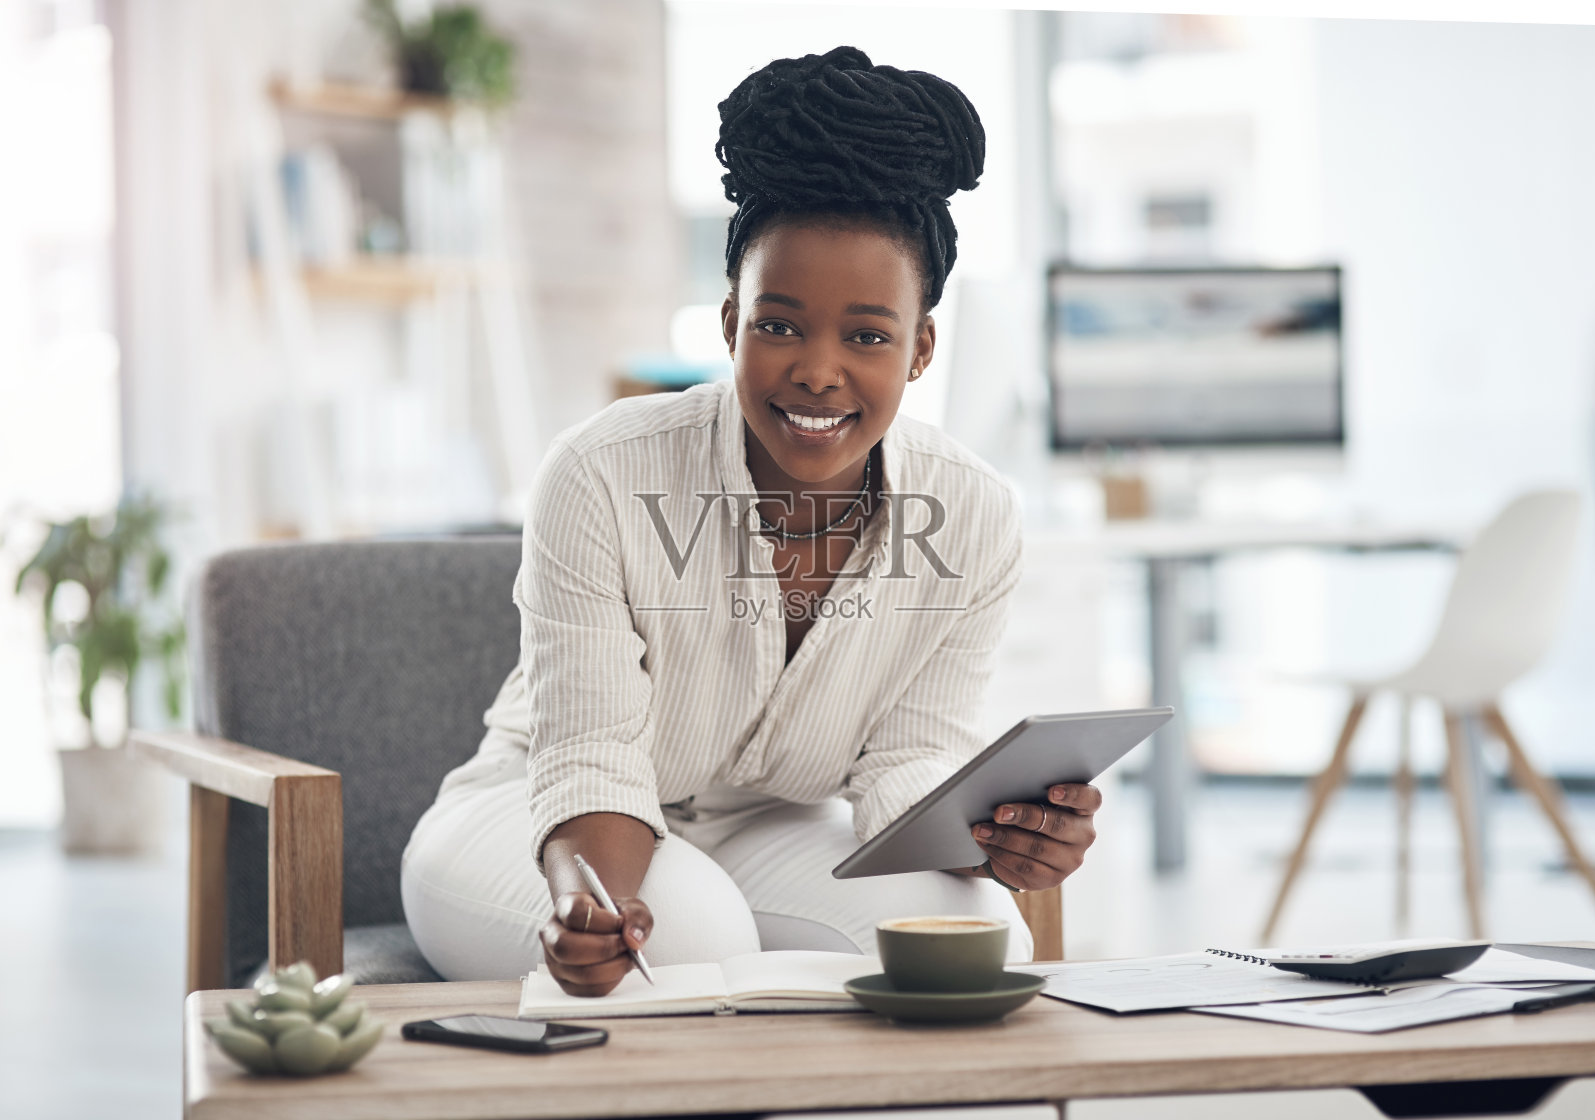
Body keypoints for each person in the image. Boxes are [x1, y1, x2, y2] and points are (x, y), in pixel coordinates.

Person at [400, 46, 1102, 996]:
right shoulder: (602, 471)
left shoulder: (973, 513)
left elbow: (907, 754)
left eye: (866, 335)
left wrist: (996, 842)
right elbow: (592, 751)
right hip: (533, 817)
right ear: (730, 322)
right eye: (779, 325)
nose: (818, 369)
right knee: (687, 939)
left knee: (976, 939)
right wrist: (584, 897)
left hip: (765, 829)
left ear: (921, 346)